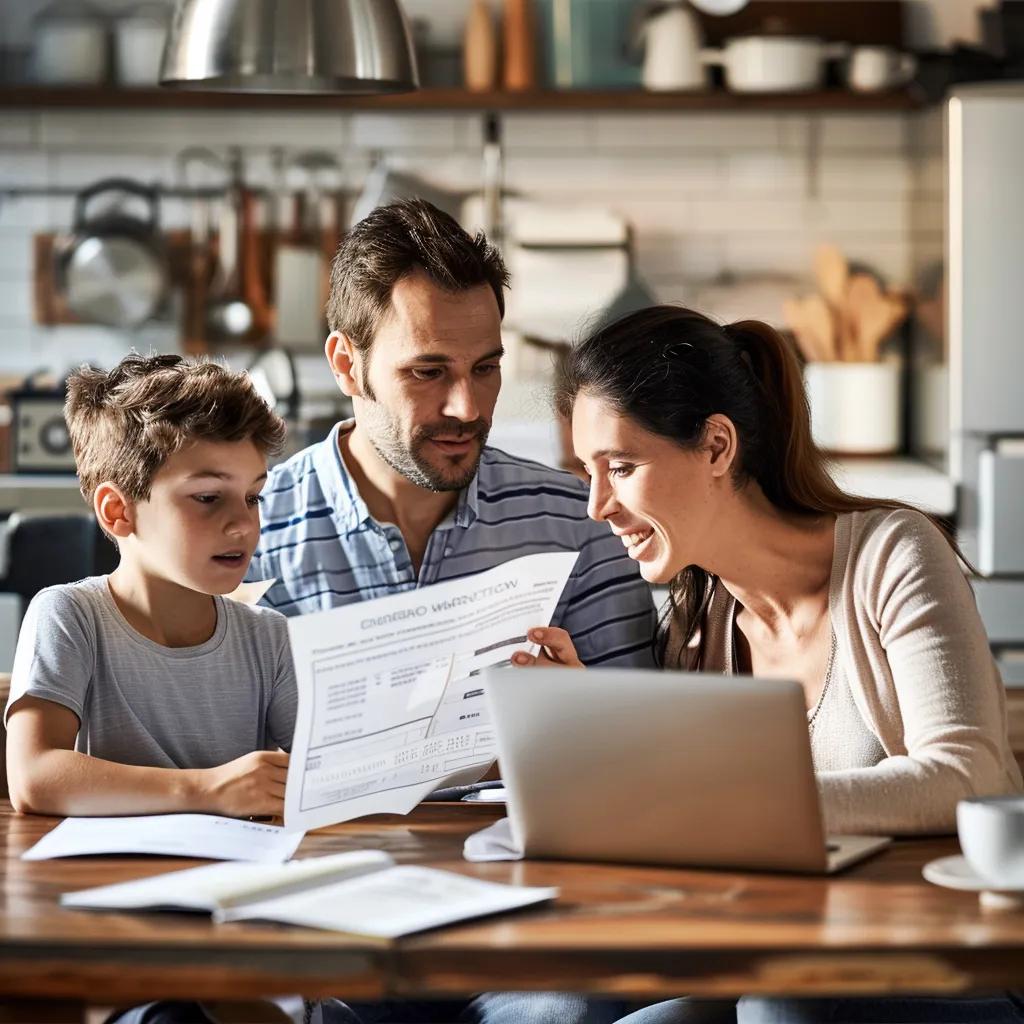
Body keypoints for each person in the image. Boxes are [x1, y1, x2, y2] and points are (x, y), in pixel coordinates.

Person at [511, 304, 1024, 1024]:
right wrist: (590, 728)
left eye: (620, 468)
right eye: (588, 473)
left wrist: (734, 811)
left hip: (942, 960)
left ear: (717, 446)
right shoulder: (699, 623)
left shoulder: (893, 557)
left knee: (781, 1012)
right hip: (785, 951)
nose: (599, 506)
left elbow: (967, 776)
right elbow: (690, 813)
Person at [4, 354, 298, 1024]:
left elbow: (325, 773)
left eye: (253, 495)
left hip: (240, 928)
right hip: (117, 937)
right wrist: (208, 790)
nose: (243, 524)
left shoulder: (268, 637)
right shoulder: (69, 615)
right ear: (117, 510)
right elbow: (35, 775)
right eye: (208, 498)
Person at [246, 198, 656, 673]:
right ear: (346, 365)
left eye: (485, 368)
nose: (467, 408)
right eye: (427, 371)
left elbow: (634, 738)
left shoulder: (581, 527)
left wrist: (580, 714)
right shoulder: (250, 531)